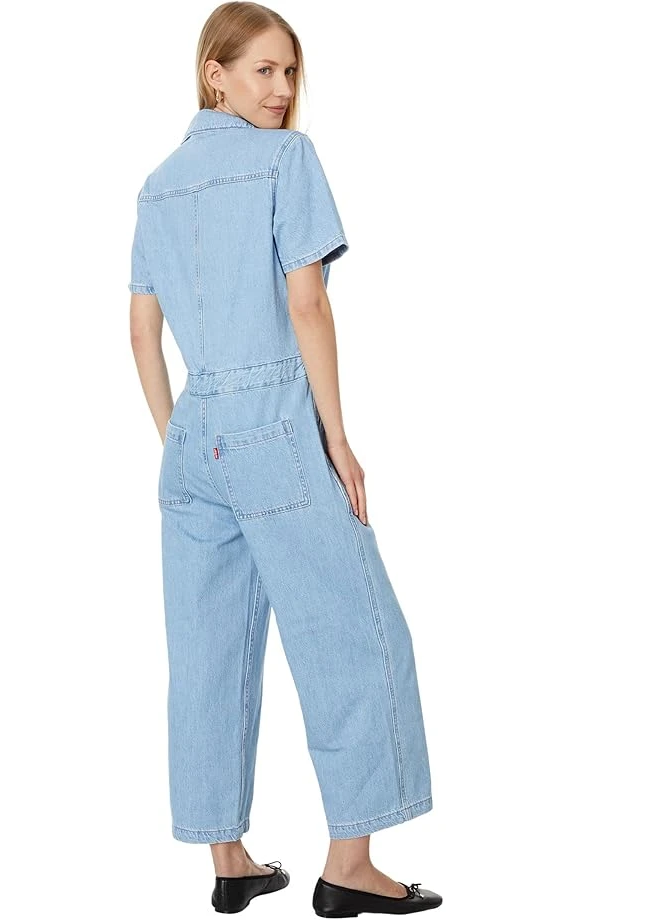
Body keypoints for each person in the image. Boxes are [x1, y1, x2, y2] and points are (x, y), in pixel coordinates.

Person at [128, 3, 442, 915]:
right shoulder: (284, 160)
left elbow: (142, 330)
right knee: (356, 634)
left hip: (194, 438)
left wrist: (178, 436)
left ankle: (228, 859)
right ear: (215, 74)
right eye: (263, 70)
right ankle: (350, 868)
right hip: (275, 422)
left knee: (207, 650)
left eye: (291, 72)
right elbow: (307, 303)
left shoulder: (157, 185)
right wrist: (334, 436)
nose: (281, 89)